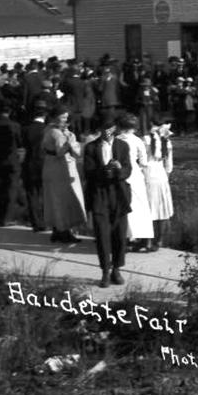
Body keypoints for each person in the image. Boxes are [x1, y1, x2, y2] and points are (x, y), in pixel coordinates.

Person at [82, 122, 132, 287]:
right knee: (102, 234)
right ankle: (104, 271)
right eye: (105, 129)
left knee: (119, 234)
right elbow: (88, 172)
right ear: (100, 130)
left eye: (111, 129)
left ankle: (116, 269)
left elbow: (128, 169)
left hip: (118, 193)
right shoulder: (90, 147)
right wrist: (105, 170)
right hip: (99, 193)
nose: (108, 133)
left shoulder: (123, 146)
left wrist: (118, 170)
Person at [41, 106, 88, 244]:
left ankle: (57, 229)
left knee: (54, 198)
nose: (65, 120)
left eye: (66, 118)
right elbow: (62, 151)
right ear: (55, 117)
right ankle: (64, 231)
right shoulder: (56, 132)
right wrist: (70, 140)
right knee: (65, 199)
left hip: (51, 166)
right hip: (61, 167)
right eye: (62, 117)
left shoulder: (47, 130)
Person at [117, 114, 155, 252]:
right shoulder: (137, 140)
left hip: (121, 173)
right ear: (134, 127)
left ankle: (126, 238)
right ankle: (146, 240)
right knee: (142, 206)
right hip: (135, 174)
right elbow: (144, 162)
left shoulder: (115, 140)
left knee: (125, 206)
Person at [145, 122, 174, 251]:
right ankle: (160, 240)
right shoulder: (166, 141)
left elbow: (141, 161)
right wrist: (166, 175)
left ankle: (147, 241)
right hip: (161, 176)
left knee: (148, 209)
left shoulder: (144, 139)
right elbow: (169, 165)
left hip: (147, 175)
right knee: (162, 209)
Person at [22, 101, 48, 232]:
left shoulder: (26, 128)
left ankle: (36, 222)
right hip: (45, 163)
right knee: (46, 194)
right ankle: (46, 220)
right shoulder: (48, 129)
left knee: (32, 194)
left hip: (30, 161)